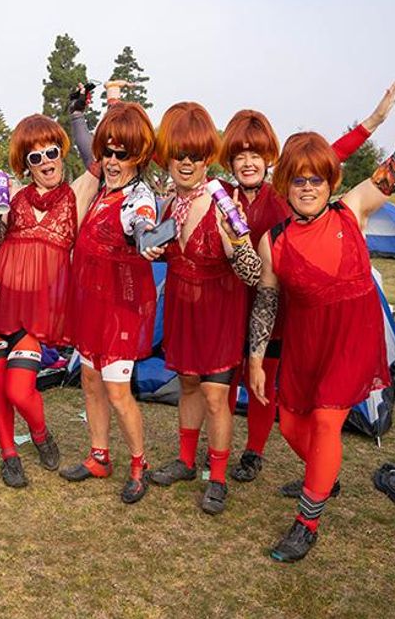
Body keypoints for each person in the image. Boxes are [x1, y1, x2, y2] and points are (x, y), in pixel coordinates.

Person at [248, 41, 395, 562]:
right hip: (306, 341)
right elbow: (267, 298)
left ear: (328, 179)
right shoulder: (276, 240)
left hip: (350, 336)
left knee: (330, 421)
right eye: (298, 178)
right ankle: (322, 478)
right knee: (291, 424)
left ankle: (306, 522)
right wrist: (256, 357)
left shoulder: (350, 209)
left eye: (316, 177)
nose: (308, 186)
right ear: (284, 183)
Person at [220, 86, 395, 487]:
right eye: (239, 155)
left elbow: (327, 157)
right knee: (231, 380)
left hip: (287, 312)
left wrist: (372, 122)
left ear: (269, 159)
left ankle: (255, 452)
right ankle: (233, 449)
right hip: (232, 306)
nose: (248, 162)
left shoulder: (287, 194)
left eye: (256, 154)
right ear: (229, 160)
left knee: (264, 384)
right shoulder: (223, 199)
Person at [141, 102, 261, 516]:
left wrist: (238, 241)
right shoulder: (170, 201)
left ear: (208, 156)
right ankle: (187, 461)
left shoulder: (224, 201)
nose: (186, 162)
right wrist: (153, 249)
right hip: (181, 304)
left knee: (215, 394)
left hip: (219, 309)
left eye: (195, 154)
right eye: (179, 154)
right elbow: (161, 249)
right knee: (188, 383)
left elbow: (250, 271)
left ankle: (219, 477)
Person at [59, 90, 158, 504]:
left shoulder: (140, 196)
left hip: (121, 308)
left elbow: (142, 223)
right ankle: (99, 455)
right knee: (90, 380)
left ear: (138, 158)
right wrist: (78, 114)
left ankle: (140, 463)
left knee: (118, 391)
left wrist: (146, 238)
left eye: (123, 155)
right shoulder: (103, 180)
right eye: (109, 154)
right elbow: (87, 146)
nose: (113, 162)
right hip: (90, 303)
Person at [0, 115, 76, 487]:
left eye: (51, 152)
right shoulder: (11, 198)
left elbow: (101, 157)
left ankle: (41, 434)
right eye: (35, 157)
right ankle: (9, 454)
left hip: (35, 312)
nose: (46, 161)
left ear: (62, 153)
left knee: (19, 390)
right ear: (25, 165)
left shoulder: (78, 194)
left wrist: (81, 111)